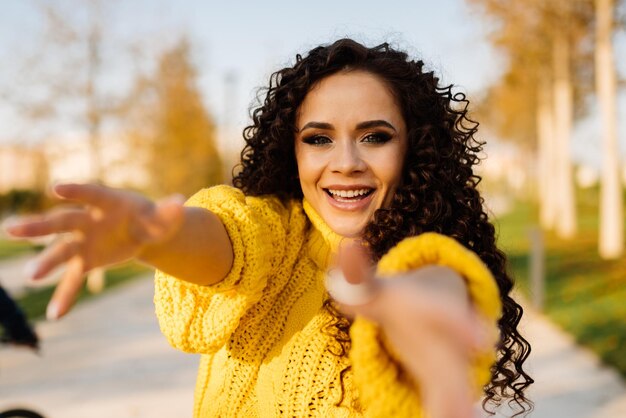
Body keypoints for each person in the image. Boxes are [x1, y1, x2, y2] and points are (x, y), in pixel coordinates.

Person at [4, 39, 532, 417]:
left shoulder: (429, 259)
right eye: (319, 138)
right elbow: (228, 237)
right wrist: (160, 237)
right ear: (291, 149)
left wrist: (416, 309)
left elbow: (442, 281)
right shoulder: (276, 229)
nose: (345, 162)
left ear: (414, 149)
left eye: (374, 136)